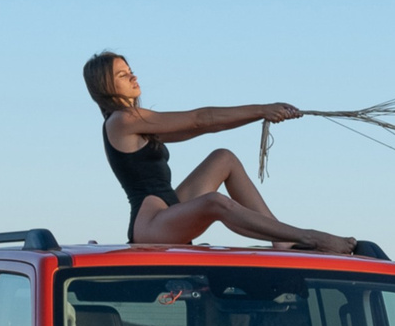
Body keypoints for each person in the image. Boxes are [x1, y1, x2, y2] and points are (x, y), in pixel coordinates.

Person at [83, 50, 359, 253]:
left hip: (170, 208)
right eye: (122, 74)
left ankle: (283, 241)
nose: (132, 75)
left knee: (223, 158)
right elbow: (200, 118)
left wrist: (262, 115)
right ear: (105, 86)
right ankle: (310, 237)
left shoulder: (136, 123)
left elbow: (204, 128)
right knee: (215, 202)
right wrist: (262, 108)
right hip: (152, 226)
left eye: (130, 69)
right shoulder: (123, 120)